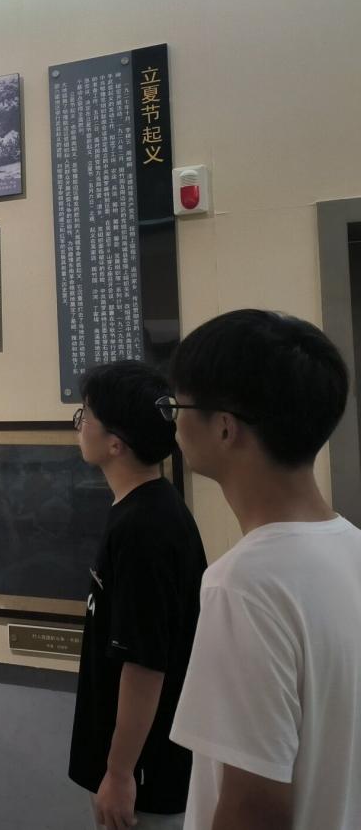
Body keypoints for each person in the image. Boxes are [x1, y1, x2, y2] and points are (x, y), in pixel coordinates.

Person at [165, 310, 359, 830]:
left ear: (225, 427)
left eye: (178, 407)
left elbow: (254, 807)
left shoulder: (243, 584)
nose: (175, 423)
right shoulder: (353, 548)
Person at [68, 360, 207, 830]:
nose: (79, 424)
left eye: (86, 415)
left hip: (144, 774)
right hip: (135, 764)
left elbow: (145, 663)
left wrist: (120, 772)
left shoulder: (145, 527)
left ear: (116, 443)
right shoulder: (144, 507)